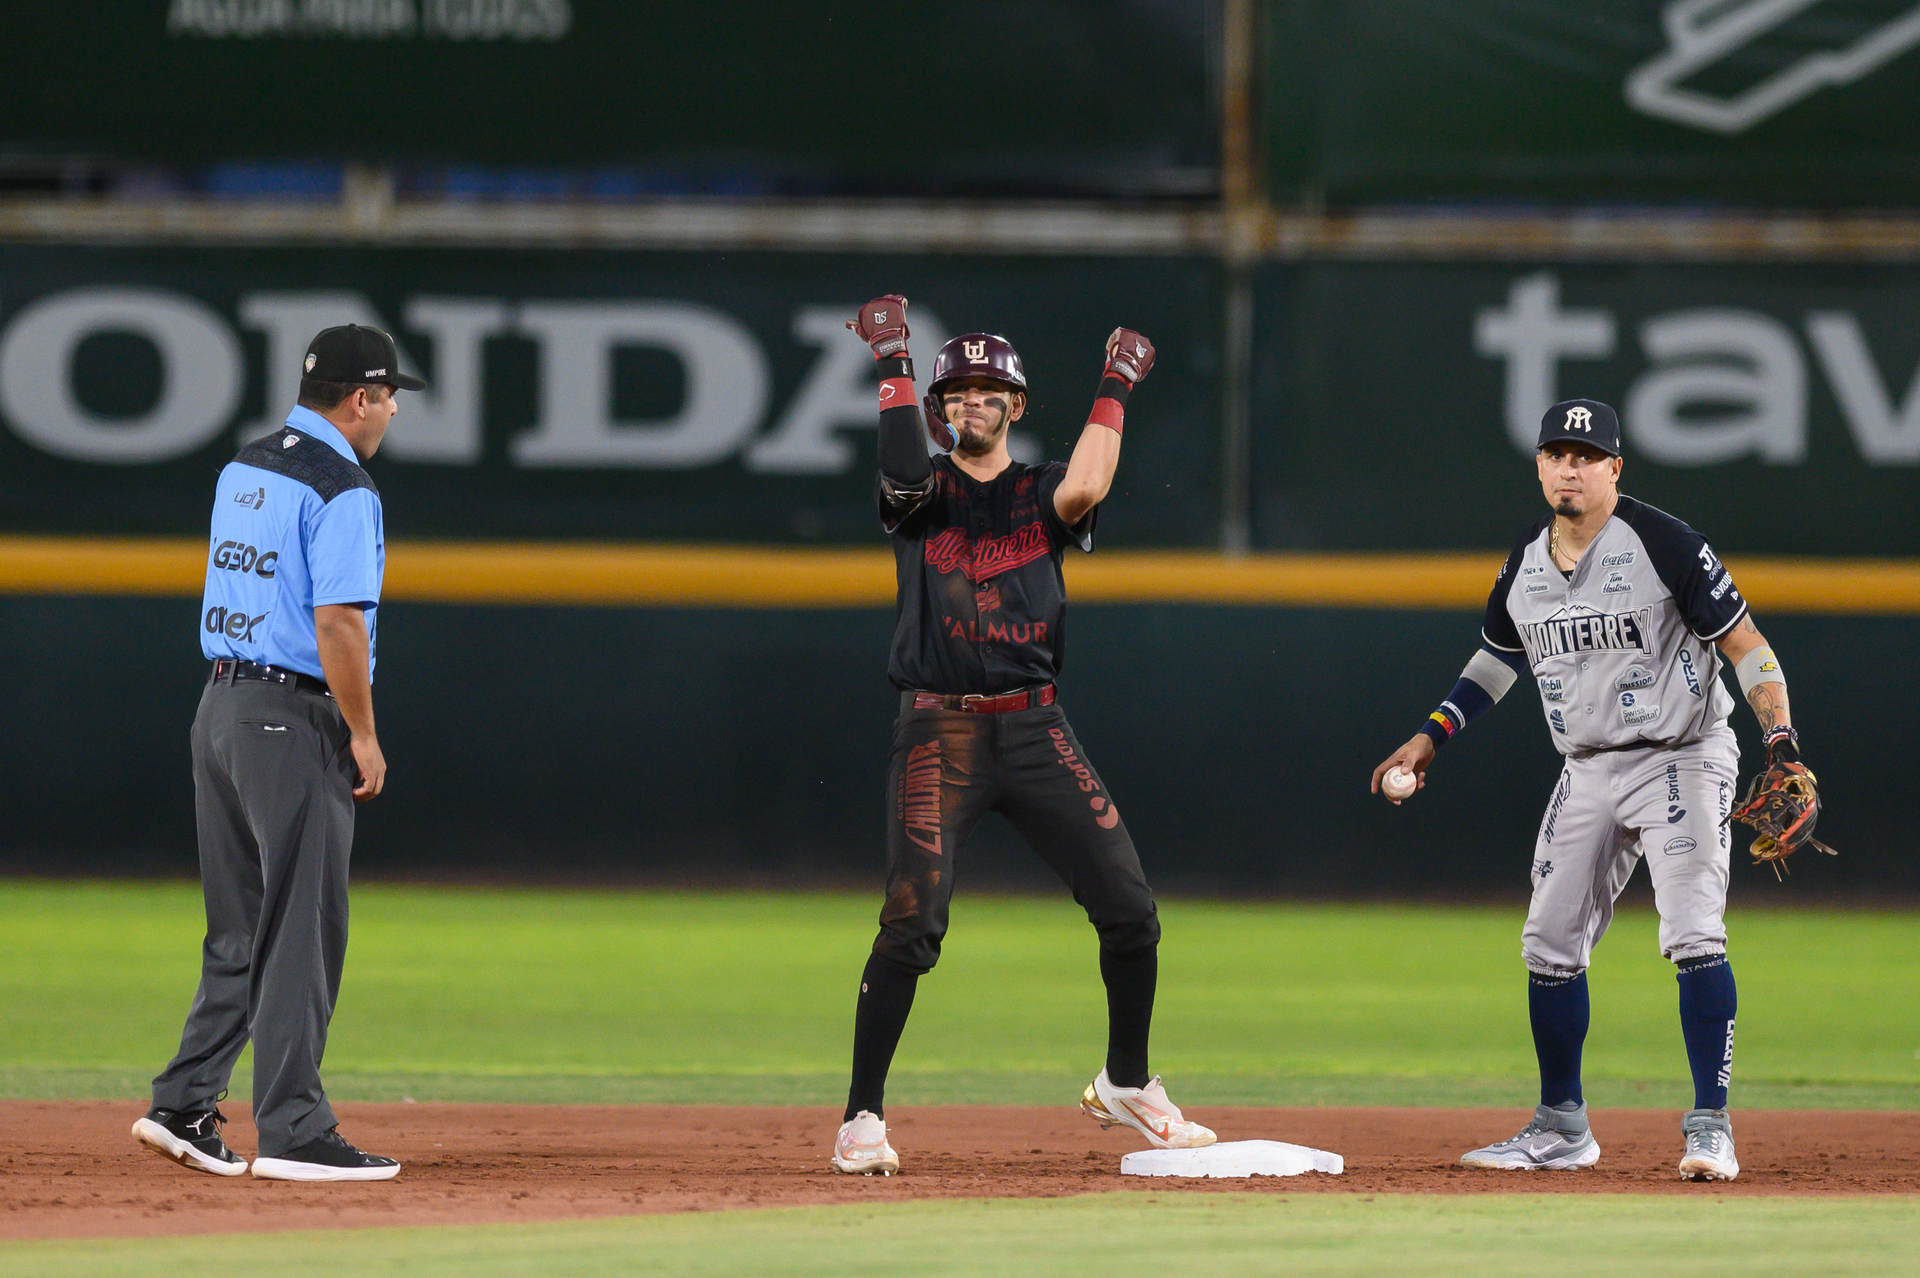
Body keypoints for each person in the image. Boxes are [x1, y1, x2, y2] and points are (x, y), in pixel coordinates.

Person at [1371, 398, 1814, 1183]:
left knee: (1692, 934)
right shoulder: (1527, 560)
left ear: (1615, 468)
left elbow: (1747, 645)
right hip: (1586, 765)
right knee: (1548, 944)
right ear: (1540, 466)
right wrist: (1432, 732)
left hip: (1681, 754)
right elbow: (1496, 659)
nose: (1569, 467)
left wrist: (1780, 740)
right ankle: (1560, 1126)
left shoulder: (1664, 543)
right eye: (1555, 453)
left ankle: (1711, 1125)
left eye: (1586, 454)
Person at [826, 295, 1216, 1176]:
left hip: (1035, 727)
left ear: (1017, 405)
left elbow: (1088, 484)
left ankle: (1128, 1083)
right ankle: (861, 1116)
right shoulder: (921, 492)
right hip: (938, 730)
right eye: (956, 391)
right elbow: (895, 471)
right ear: (938, 409)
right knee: (911, 924)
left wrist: (1116, 383)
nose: (973, 402)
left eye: (989, 390)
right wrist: (891, 362)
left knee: (1131, 910)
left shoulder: (1041, 493)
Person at [133, 324, 422, 1182]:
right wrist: (362, 732)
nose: (395, 407)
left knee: (241, 927)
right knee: (300, 928)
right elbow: (338, 620)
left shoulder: (247, 465)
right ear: (360, 397)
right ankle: (294, 1127)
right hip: (288, 719)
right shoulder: (344, 488)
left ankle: (184, 1102)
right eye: (388, 393)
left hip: (218, 708)